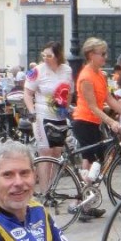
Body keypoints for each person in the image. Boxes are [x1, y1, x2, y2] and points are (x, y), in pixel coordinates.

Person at [70, 37, 121, 195]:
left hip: (93, 123)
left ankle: (85, 198)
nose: (105, 57)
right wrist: (111, 123)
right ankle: (81, 197)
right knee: (94, 160)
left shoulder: (100, 74)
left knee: (93, 160)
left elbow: (108, 97)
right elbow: (93, 106)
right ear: (91, 55)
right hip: (83, 121)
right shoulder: (86, 77)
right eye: (102, 54)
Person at [23, 41, 73, 172]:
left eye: (49, 56)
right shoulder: (37, 71)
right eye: (43, 55)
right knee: (45, 153)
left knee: (57, 153)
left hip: (60, 117)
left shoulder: (67, 70)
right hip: (42, 116)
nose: (45, 59)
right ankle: (45, 190)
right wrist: (32, 111)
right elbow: (27, 93)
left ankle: (52, 187)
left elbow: (70, 92)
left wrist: (66, 109)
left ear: (58, 56)